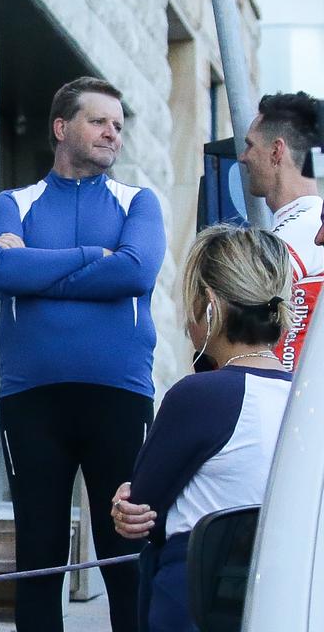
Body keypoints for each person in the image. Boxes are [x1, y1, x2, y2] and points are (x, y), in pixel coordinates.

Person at [0, 76, 165, 632]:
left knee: (124, 554)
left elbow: (136, 269)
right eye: (99, 121)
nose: (113, 132)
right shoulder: (13, 203)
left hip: (120, 397)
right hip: (32, 400)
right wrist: (92, 256)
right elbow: (4, 270)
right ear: (62, 128)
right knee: (39, 557)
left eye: (118, 125)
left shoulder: (139, 201)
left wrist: (42, 265)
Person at [111, 225, 293, 632]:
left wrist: (124, 502)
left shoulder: (201, 396)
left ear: (209, 305)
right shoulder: (305, 399)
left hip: (199, 603)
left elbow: (143, 507)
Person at [239, 91, 324, 371]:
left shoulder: (307, 225)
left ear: (277, 151)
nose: (243, 157)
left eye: (250, 145)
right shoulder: (301, 223)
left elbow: (240, 305)